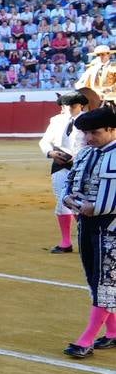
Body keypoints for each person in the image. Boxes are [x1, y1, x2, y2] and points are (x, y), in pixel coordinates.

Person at [61, 106, 116, 358]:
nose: (89, 138)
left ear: (112, 129)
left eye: (95, 132)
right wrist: (71, 200)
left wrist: (92, 207)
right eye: (86, 133)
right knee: (97, 280)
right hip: (87, 224)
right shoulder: (85, 153)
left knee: (106, 282)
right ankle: (114, 332)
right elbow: (70, 183)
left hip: (112, 228)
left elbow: (102, 206)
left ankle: (87, 339)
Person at [40, 92, 87, 253]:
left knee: (80, 203)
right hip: (60, 164)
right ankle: (66, 242)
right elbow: (45, 141)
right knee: (62, 202)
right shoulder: (56, 120)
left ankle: (85, 239)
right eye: (65, 106)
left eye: (72, 106)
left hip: (83, 165)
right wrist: (50, 153)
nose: (68, 110)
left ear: (81, 105)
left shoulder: (89, 121)